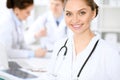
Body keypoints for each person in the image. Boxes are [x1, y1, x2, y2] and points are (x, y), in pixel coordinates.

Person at [46, 0, 120, 80]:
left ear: (93, 13)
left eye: (82, 13)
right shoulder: (59, 46)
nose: (75, 20)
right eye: (69, 14)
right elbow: (49, 76)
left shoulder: (110, 53)